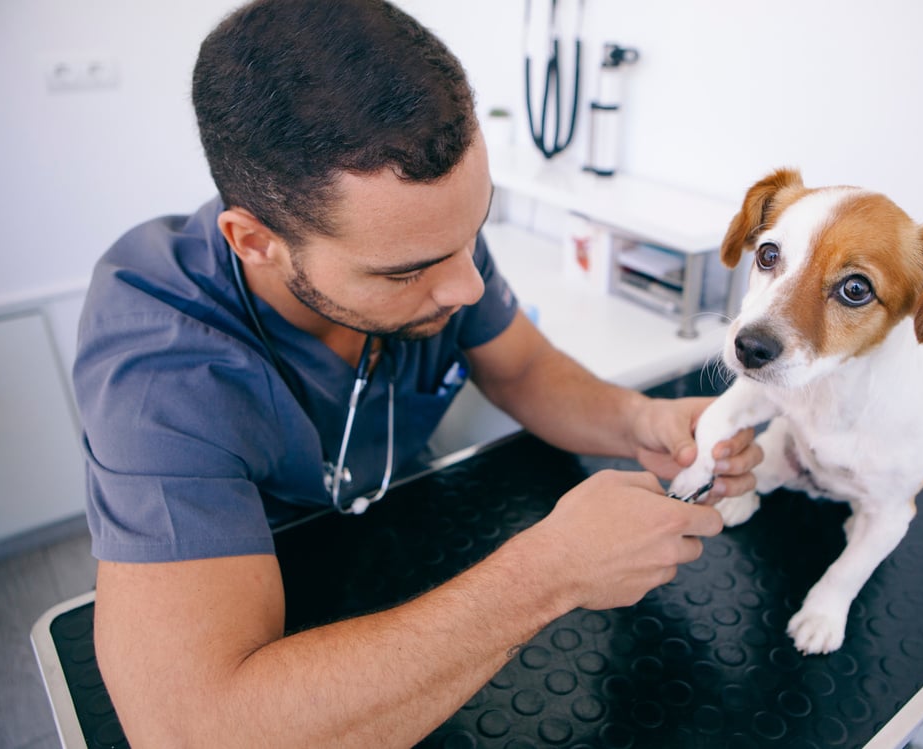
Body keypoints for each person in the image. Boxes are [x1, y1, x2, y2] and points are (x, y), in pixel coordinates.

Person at [73, 0, 761, 746]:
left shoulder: (431, 235)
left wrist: (637, 421)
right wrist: (548, 573)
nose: (466, 286)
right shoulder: (157, 363)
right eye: (408, 273)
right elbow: (193, 731)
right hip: (263, 591)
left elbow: (522, 366)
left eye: (474, 232)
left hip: (404, 550)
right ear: (255, 242)